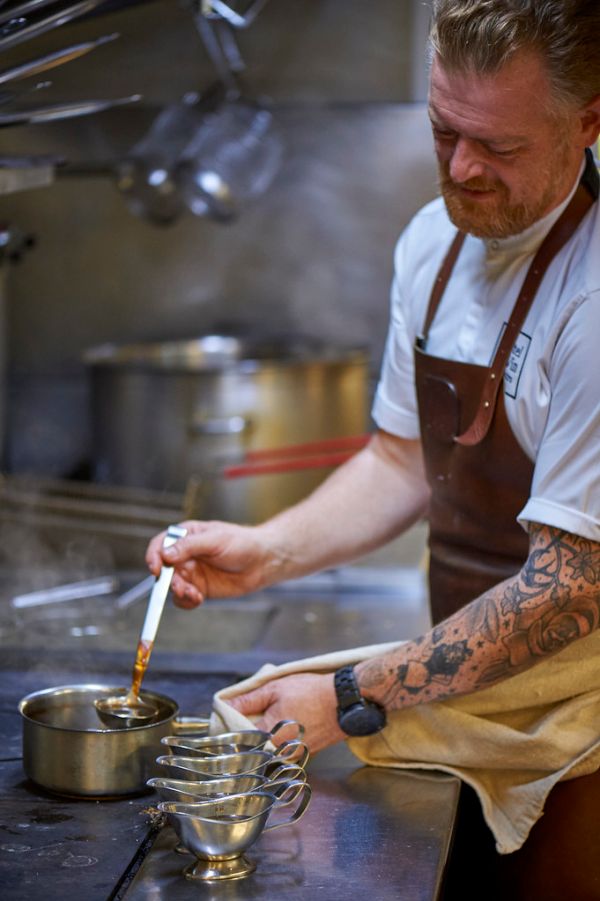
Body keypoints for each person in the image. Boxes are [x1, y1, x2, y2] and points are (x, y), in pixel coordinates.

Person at [147, 1, 600, 894]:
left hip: (579, 721)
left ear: (589, 122)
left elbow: (571, 585)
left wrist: (356, 694)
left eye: (499, 148)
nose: (462, 170)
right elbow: (401, 460)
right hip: (467, 691)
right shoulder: (435, 242)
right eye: (443, 132)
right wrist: (265, 551)